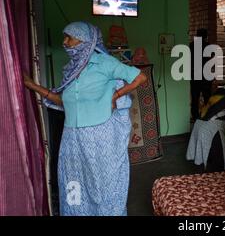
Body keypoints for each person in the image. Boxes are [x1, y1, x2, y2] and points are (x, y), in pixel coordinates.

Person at [23, 21, 147, 216]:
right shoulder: (70, 71)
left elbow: (140, 77)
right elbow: (64, 101)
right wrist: (33, 86)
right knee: (74, 182)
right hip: (72, 139)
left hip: (100, 138)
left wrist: (116, 95)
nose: (64, 42)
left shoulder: (104, 63)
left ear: (84, 40)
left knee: (103, 184)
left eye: (68, 37)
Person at [189, 28, 212, 121]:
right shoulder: (208, 46)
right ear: (206, 36)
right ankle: (208, 115)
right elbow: (211, 59)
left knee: (195, 97)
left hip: (195, 74)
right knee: (207, 97)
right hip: (206, 75)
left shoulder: (191, 45)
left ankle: (195, 116)